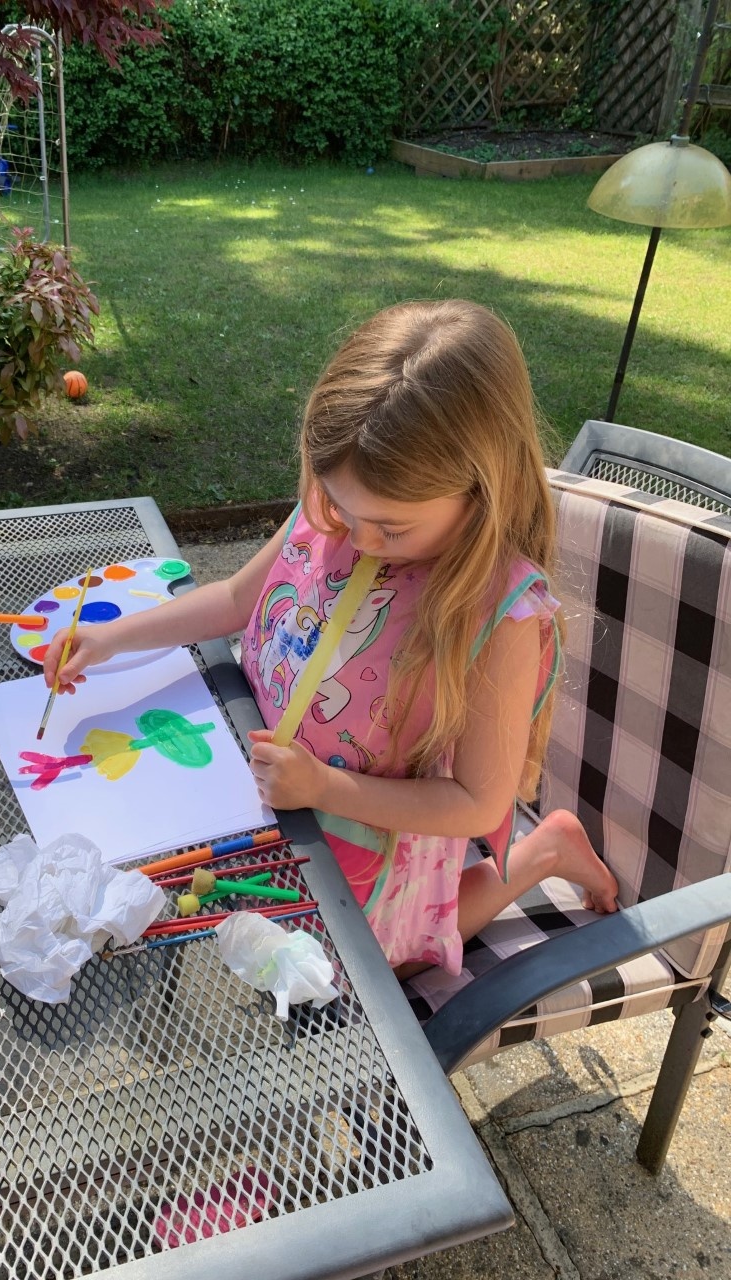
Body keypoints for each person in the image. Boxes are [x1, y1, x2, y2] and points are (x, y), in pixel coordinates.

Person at [42, 299, 618, 979]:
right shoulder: (340, 507)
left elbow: (478, 803)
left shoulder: (498, 613)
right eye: (341, 505)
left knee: (367, 970)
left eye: (391, 528)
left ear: (481, 492)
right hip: (272, 807)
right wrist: (112, 638)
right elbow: (236, 600)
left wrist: (322, 787)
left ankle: (544, 851)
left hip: (368, 850)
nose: (359, 538)